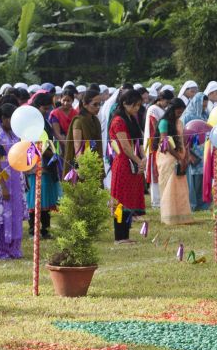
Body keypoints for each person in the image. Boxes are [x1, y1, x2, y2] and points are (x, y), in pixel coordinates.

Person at [0, 103, 26, 259]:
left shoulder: (16, 134)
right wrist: (3, 186)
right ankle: (2, 249)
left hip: (17, 179)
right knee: (3, 214)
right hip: (2, 179)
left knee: (16, 213)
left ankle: (14, 248)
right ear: (3, 119)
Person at [108, 89, 146, 244]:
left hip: (133, 162)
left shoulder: (131, 118)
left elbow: (139, 142)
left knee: (129, 199)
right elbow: (125, 146)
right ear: (124, 103)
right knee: (120, 201)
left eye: (139, 105)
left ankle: (126, 234)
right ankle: (119, 236)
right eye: (134, 105)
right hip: (124, 163)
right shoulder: (118, 121)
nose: (137, 108)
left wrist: (143, 159)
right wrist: (138, 161)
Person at [26, 92, 61, 239]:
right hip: (37, 164)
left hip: (49, 163)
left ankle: (45, 230)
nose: (47, 111)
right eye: (45, 108)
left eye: (48, 108)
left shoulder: (45, 121)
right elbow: (35, 144)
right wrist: (50, 154)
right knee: (36, 198)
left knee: (46, 199)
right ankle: (33, 230)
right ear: (37, 107)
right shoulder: (32, 123)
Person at [156, 98, 193, 225]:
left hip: (180, 155)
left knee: (181, 187)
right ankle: (169, 217)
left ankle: (182, 216)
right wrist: (178, 158)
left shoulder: (179, 122)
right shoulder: (164, 122)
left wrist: (186, 156)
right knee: (169, 187)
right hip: (168, 157)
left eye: (182, 112)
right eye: (178, 112)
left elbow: (183, 141)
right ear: (172, 110)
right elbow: (164, 143)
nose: (180, 114)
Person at [143, 89, 173, 209]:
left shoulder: (163, 109)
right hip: (154, 143)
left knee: (162, 170)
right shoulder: (153, 109)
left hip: (162, 141)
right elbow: (155, 126)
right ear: (160, 99)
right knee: (154, 171)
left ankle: (163, 198)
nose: (167, 104)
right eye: (166, 101)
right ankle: (156, 201)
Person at [181, 92, 211, 211]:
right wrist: (187, 151)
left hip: (204, 150)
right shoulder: (187, 116)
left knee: (203, 177)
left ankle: (203, 203)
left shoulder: (206, 115)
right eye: (202, 105)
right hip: (192, 151)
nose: (203, 108)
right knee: (194, 179)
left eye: (205, 105)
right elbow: (183, 135)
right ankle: (193, 203)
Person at [65, 90, 102, 178]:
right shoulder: (78, 121)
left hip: (95, 161)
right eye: (95, 104)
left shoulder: (95, 120)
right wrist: (82, 168)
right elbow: (77, 146)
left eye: (99, 104)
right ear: (85, 104)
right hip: (82, 164)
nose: (98, 107)